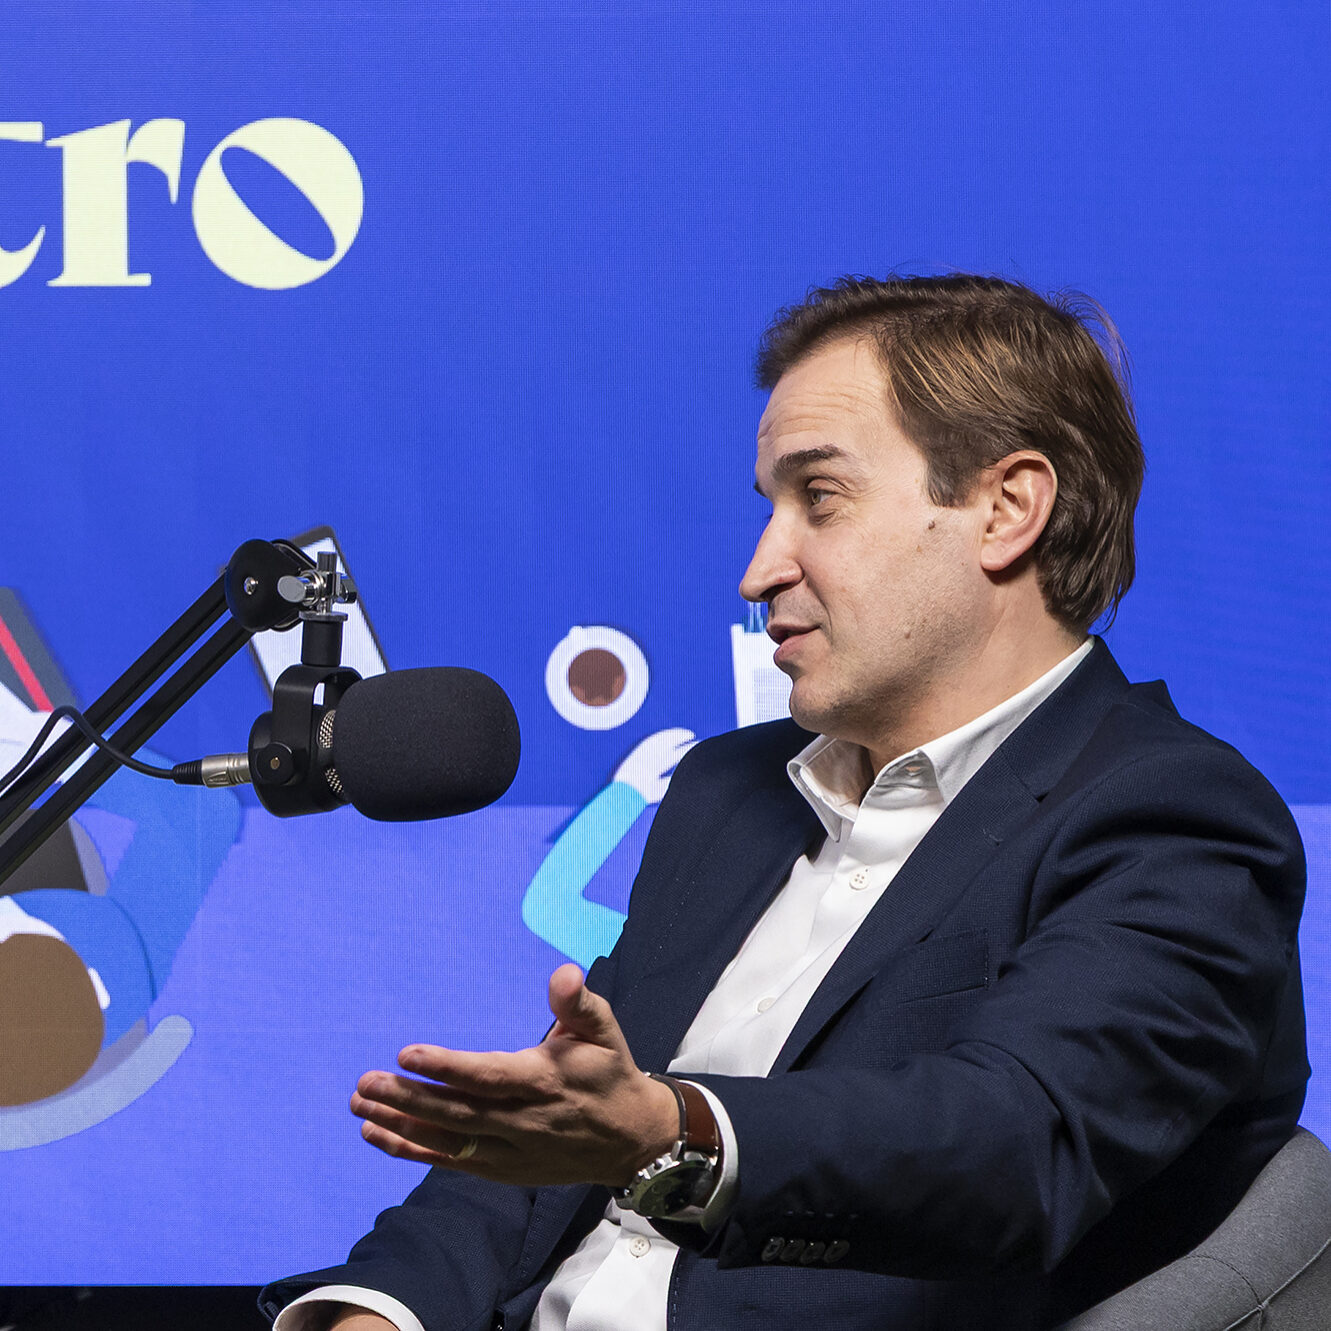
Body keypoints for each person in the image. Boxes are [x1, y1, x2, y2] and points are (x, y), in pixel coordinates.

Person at [261, 274, 1307, 1331]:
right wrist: (374, 1312)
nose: (759, 568)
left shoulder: (1174, 816)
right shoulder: (725, 790)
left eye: (819, 497)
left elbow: (1016, 1139)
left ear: (1004, 509)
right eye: (768, 505)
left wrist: (676, 1131)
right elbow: (556, 1141)